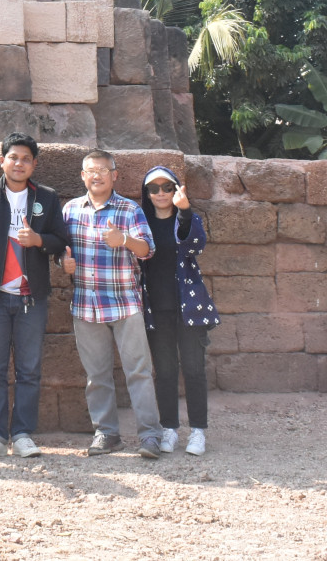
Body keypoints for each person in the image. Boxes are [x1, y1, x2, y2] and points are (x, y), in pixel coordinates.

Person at [0, 133, 65, 460]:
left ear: (34, 164)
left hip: (31, 298)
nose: (19, 164)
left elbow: (60, 241)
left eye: (26, 159)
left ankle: (21, 433)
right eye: (13, 157)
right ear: (2, 161)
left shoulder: (46, 197)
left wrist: (38, 241)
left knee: (29, 369)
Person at [61, 149, 163, 459]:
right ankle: (106, 434)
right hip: (86, 304)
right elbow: (62, 252)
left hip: (124, 303)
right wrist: (63, 264)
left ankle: (150, 436)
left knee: (139, 372)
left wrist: (125, 241)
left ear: (114, 175)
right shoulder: (70, 210)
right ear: (83, 176)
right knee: (97, 376)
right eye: (90, 170)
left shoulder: (129, 210)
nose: (96, 175)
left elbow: (147, 250)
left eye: (103, 170)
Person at [140, 162, 217, 456]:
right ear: (147, 193)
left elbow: (196, 245)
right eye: (154, 188)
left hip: (189, 307)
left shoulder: (186, 219)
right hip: (156, 308)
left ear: (175, 190)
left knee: (194, 369)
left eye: (166, 187)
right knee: (166, 370)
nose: (160, 193)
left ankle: (198, 431)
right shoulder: (141, 223)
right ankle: (169, 429)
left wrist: (184, 210)